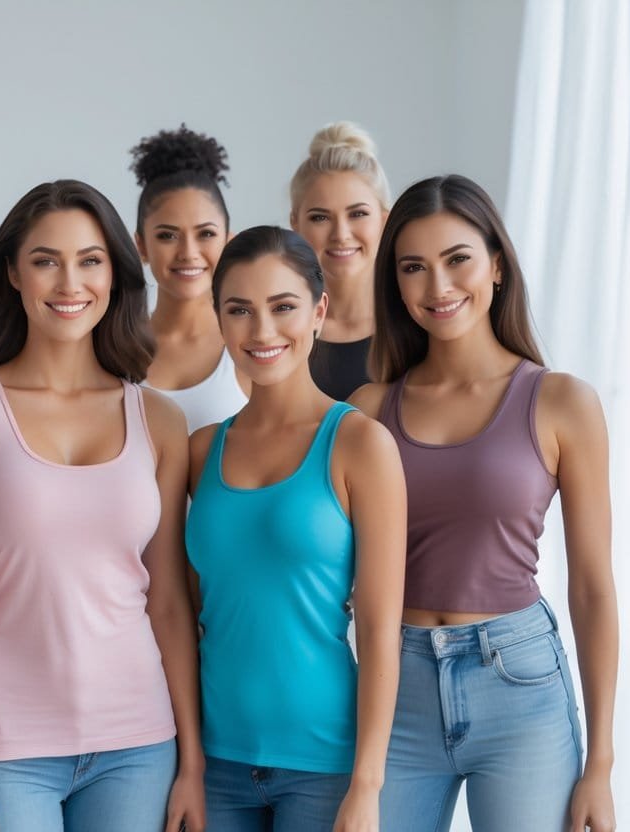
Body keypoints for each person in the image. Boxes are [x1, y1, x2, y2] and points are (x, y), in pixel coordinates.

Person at [0, 180, 205, 832]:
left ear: (114, 273)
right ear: (13, 274)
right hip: (7, 746)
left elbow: (166, 604)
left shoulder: (157, 418)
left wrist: (189, 761)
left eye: (89, 259)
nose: (69, 281)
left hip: (138, 742)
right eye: (46, 259)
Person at [350, 174, 617, 832]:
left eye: (456, 259)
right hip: (396, 685)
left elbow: (591, 588)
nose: (437, 287)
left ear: (496, 264)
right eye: (412, 267)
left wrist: (601, 767)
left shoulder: (561, 403)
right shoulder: (365, 412)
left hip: (519, 683)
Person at [187, 225, 404, 830]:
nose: (262, 331)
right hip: (215, 762)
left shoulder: (360, 443)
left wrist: (367, 784)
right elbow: (182, 610)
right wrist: (187, 761)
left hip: (324, 765)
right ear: (220, 319)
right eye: (240, 310)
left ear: (319, 311)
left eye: (283, 307)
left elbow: (383, 629)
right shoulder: (201, 451)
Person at [130, 124, 247, 430]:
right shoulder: (115, 346)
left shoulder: (251, 342)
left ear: (228, 240)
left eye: (206, 234)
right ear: (141, 246)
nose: (188, 252)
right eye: (168, 236)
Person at [288, 122, 391, 400]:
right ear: (295, 224)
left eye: (357, 214)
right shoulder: (280, 329)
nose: (341, 235)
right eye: (320, 217)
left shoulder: (415, 325)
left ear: (384, 221)